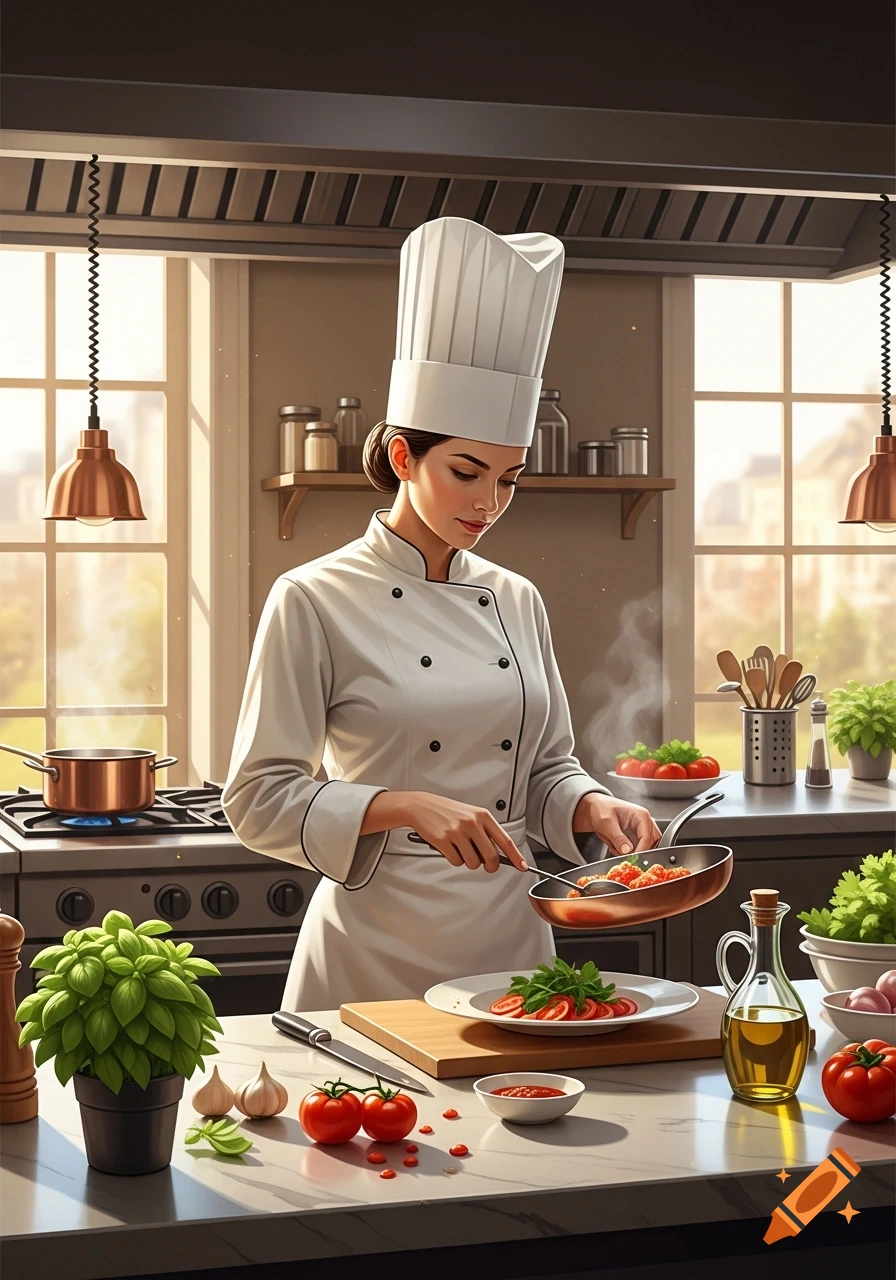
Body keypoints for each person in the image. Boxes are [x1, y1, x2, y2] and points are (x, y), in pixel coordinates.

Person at [222, 216, 661, 1010]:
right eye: (466, 472)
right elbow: (257, 798)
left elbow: (546, 768)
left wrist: (591, 804)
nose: (490, 503)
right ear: (402, 456)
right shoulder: (314, 597)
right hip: (372, 949)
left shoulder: (515, 598)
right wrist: (401, 805)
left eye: (510, 478)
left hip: (511, 944)